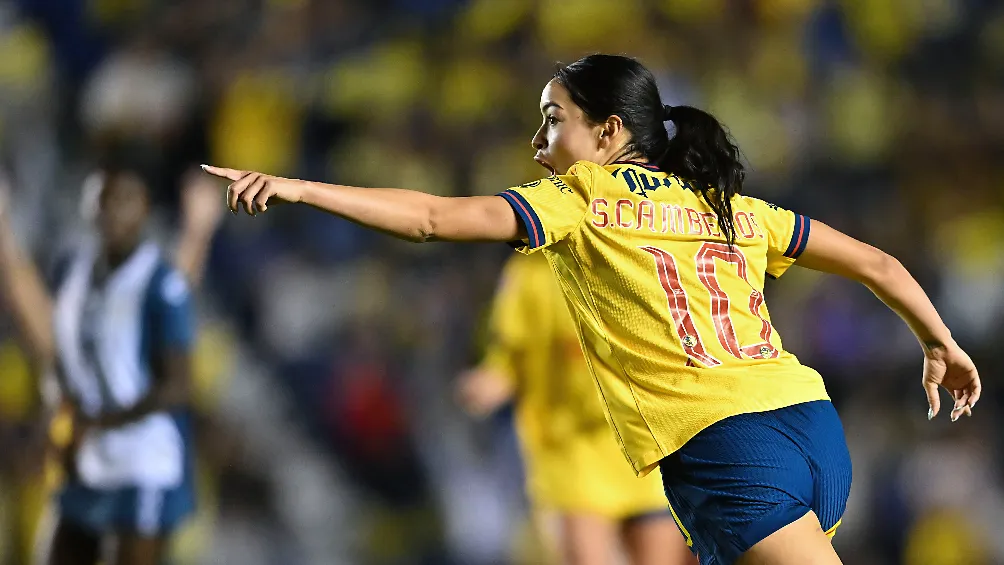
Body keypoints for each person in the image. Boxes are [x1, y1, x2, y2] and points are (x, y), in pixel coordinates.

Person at [204, 54, 981, 565]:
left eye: (553, 118)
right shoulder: (728, 206)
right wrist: (938, 339)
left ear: (608, 132)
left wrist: (301, 187)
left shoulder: (583, 198)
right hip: (812, 428)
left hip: (728, 446)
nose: (537, 138)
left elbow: (434, 218)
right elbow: (880, 264)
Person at [0, 163, 215, 565]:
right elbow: (54, 347)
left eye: (124, 200)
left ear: (144, 208)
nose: (112, 211)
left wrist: (197, 233)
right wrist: (60, 409)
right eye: (104, 200)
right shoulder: (75, 271)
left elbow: (177, 385)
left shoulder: (157, 280)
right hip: (87, 455)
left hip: (141, 459)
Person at [458, 251, 695, 565]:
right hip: (572, 454)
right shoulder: (531, 273)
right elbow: (511, 355)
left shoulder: (633, 255)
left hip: (647, 448)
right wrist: (491, 383)